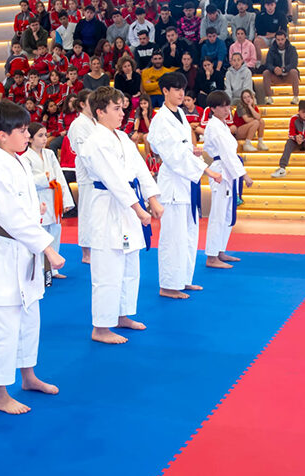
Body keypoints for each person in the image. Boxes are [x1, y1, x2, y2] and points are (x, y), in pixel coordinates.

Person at [0, 100, 65, 415]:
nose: (26, 134)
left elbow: (23, 206)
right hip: (3, 252)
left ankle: (28, 375)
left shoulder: (18, 161)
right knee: (2, 322)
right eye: (21, 130)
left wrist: (38, 210)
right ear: (2, 135)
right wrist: (48, 247)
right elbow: (10, 216)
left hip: (24, 249)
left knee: (29, 315)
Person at [77, 86, 164, 343]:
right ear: (101, 112)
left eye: (123, 108)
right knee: (107, 268)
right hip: (109, 208)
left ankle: (122, 315)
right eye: (117, 109)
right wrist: (139, 208)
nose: (123, 113)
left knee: (129, 264)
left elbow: (139, 168)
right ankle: (101, 327)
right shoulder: (95, 142)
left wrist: (153, 199)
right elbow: (114, 179)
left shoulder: (122, 137)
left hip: (127, 209)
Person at [148, 72, 222, 299]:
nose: (181, 93)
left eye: (183, 89)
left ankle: (184, 279)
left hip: (187, 183)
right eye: (176, 89)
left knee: (189, 234)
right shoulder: (161, 120)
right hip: (173, 184)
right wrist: (205, 169)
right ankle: (168, 285)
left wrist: (194, 152)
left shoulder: (180, 113)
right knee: (173, 236)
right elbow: (173, 154)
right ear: (165, 92)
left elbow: (185, 148)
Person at [203, 91, 251, 269]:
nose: (226, 109)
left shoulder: (222, 125)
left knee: (227, 213)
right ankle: (211, 256)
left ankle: (220, 250)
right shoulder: (214, 126)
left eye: (227, 105)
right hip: (221, 171)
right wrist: (243, 174)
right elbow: (225, 153)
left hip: (228, 170)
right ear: (213, 109)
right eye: (222, 106)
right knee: (218, 213)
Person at [23, 122, 75, 280]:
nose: (44, 138)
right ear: (30, 139)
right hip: (39, 198)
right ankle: (39, 269)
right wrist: (44, 178)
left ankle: (53, 268)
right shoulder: (24, 157)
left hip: (55, 197)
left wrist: (66, 201)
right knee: (40, 234)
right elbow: (26, 181)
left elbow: (59, 176)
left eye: (45, 135)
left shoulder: (50, 154)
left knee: (55, 231)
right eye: (40, 135)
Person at [67, 89, 95, 264]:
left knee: (96, 212)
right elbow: (82, 151)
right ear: (82, 104)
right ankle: (86, 253)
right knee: (86, 211)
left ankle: (95, 246)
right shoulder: (78, 124)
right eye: (91, 101)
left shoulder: (94, 122)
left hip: (98, 173)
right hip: (87, 171)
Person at [272, 99, 305, 178]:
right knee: (289, 142)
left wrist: (302, 137)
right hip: (296, 141)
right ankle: (282, 168)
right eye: (303, 112)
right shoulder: (294, 118)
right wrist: (296, 137)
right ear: (299, 111)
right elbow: (290, 133)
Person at [261, 30, 299, 104]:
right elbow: (268, 63)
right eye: (278, 40)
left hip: (288, 74)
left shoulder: (292, 49)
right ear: (275, 40)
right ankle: (269, 98)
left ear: (285, 39)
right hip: (276, 75)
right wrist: (274, 69)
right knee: (266, 73)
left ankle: (295, 97)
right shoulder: (271, 49)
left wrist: (284, 70)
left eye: (282, 39)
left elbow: (294, 63)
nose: (280, 42)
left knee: (294, 72)